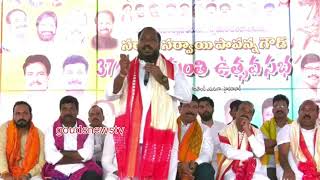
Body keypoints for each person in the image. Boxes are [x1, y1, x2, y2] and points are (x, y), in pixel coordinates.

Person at [105, 27, 192, 179]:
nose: (147, 43)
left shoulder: (172, 68)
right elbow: (110, 94)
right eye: (143, 39)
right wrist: (122, 74)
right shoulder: (126, 66)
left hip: (161, 138)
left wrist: (163, 79)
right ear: (137, 44)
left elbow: (187, 97)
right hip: (132, 136)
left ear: (159, 44)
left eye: (152, 40)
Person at [42, 96, 102, 179]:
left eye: (71, 109)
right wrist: (79, 156)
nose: (68, 112)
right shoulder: (51, 130)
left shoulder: (87, 130)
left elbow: (87, 154)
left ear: (77, 111)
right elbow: (50, 156)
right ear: (60, 111)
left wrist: (61, 152)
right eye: (64, 109)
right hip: (58, 169)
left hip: (82, 168)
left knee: (93, 177)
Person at [217, 101, 268, 180]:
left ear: (251, 117)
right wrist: (251, 155)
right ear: (236, 113)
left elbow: (260, 152)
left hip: (253, 167)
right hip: (230, 168)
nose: (245, 113)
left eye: (249, 112)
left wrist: (248, 131)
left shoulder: (256, 131)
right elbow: (229, 153)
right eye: (243, 109)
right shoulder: (224, 131)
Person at [0, 101, 45, 179]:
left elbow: (42, 161)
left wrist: (28, 175)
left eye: (25, 113)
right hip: (7, 170)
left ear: (31, 116)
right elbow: (1, 151)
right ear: (13, 116)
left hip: (31, 173)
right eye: (18, 113)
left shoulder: (39, 134)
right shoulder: (5, 128)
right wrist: (5, 172)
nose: (21, 117)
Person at [277, 100, 320, 179]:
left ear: (317, 114)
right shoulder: (288, 129)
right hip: (295, 170)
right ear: (298, 113)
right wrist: (288, 170)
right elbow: (282, 155)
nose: (306, 113)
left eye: (310, 110)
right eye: (303, 110)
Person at [177, 95, 215, 180]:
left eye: (194, 107)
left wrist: (195, 163)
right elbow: (167, 150)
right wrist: (179, 164)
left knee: (206, 169)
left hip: (194, 166)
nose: (190, 110)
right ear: (179, 109)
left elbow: (207, 153)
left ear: (197, 111)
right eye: (187, 106)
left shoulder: (204, 129)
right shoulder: (170, 126)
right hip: (174, 165)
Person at [260, 94, 293, 180]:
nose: (279, 108)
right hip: (270, 165)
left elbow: (296, 147)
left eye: (282, 106)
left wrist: (274, 144)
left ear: (288, 110)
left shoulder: (293, 126)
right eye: (276, 106)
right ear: (273, 110)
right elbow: (263, 147)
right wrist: (284, 145)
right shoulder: (266, 126)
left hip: (290, 165)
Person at [198, 96, 225, 176]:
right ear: (197, 110)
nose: (205, 109)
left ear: (213, 108)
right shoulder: (195, 128)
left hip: (221, 163)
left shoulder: (223, 127)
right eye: (201, 107)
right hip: (201, 165)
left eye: (207, 106)